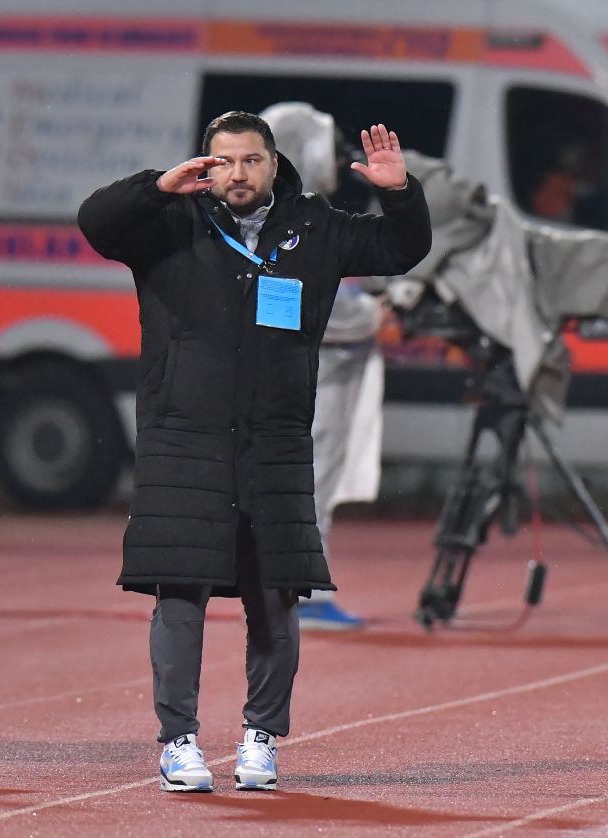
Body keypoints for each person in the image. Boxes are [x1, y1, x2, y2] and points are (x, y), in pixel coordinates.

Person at [78, 112, 430, 792]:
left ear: (274, 164)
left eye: (251, 161)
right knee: (179, 595)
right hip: (183, 438)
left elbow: (400, 249)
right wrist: (156, 186)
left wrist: (399, 192)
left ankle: (260, 740)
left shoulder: (316, 228)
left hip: (273, 441)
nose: (237, 173)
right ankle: (178, 742)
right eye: (224, 161)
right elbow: (96, 223)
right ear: (205, 166)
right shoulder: (168, 224)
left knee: (275, 598)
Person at [259, 102, 382, 631]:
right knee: (311, 476)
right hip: (312, 372)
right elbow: (290, 305)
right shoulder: (279, 224)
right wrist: (378, 313)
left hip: (315, 367)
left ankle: (293, 586)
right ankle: (300, 594)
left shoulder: (292, 217)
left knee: (311, 477)